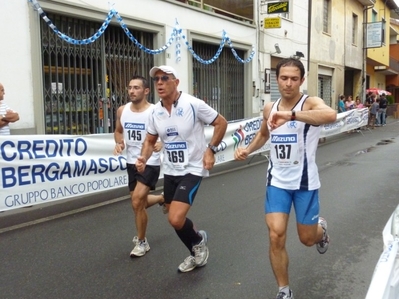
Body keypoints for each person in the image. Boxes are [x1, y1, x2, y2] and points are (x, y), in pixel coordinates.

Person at [234, 58, 336, 299]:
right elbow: (263, 134)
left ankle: (321, 229)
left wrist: (291, 116)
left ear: (301, 80)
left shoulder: (309, 103)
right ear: (276, 79)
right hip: (277, 181)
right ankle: (284, 290)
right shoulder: (270, 108)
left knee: (307, 239)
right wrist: (248, 149)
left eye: (294, 78)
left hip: (305, 183)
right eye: (283, 78)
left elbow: (330, 115)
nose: (288, 83)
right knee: (275, 234)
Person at [136, 65, 228, 273]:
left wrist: (210, 150)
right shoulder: (155, 112)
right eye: (156, 79)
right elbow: (150, 141)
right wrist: (143, 157)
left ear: (176, 82)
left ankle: (197, 247)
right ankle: (198, 239)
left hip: (193, 168)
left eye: (164, 78)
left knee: (175, 218)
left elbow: (221, 123)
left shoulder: (194, 104)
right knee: (173, 216)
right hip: (170, 170)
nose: (159, 82)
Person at [114, 75, 165, 257]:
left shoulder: (156, 111)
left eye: (136, 88)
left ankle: (142, 242)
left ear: (146, 91)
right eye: (129, 87)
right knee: (139, 203)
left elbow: (169, 131)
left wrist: (162, 143)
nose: (131, 91)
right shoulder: (122, 110)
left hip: (150, 162)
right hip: (131, 162)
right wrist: (119, 143)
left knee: (136, 202)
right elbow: (119, 131)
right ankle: (161, 199)